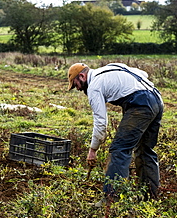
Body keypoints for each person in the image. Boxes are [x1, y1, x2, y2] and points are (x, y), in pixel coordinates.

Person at [67, 63, 164, 205]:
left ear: (82, 76)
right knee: (145, 150)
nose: (78, 88)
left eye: (76, 84)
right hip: (156, 99)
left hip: (141, 105)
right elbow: (143, 74)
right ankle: (150, 198)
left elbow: (101, 123)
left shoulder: (94, 85)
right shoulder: (110, 68)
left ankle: (111, 200)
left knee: (119, 150)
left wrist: (93, 149)